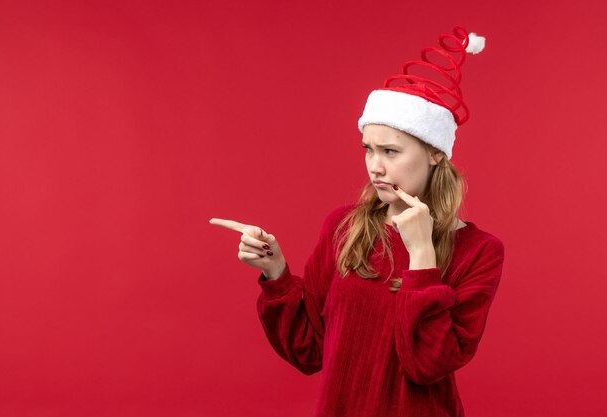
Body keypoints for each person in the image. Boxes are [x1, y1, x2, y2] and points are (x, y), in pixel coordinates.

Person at [209, 25, 504, 417]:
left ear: (435, 154)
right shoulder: (343, 227)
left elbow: (428, 365)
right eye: (368, 149)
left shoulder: (480, 252)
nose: (375, 166)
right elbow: (309, 350)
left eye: (391, 151)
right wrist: (275, 273)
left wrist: (421, 255)